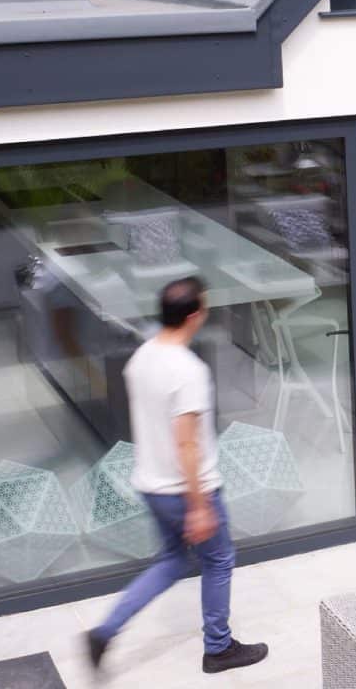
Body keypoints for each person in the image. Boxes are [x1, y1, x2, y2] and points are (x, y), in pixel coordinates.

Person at [86, 276, 268, 676]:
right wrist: (199, 506)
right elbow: (187, 444)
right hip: (186, 489)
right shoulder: (188, 371)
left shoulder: (142, 358)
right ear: (194, 315)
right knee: (219, 560)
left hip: (151, 484)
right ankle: (218, 648)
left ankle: (105, 631)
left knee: (172, 561)